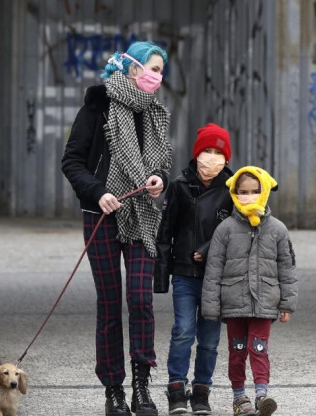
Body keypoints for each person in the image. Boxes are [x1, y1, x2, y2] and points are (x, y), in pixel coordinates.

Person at [61, 41, 172, 416]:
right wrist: (99, 192)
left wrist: (158, 179)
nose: (157, 76)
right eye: (151, 68)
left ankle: (142, 386)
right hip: (101, 216)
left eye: (161, 70)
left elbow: (161, 165)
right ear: (131, 67)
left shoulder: (156, 115)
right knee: (109, 304)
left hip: (142, 215)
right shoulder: (97, 106)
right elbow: (72, 161)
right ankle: (114, 390)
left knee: (140, 300)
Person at [201, 166, 298, 416]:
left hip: (264, 302)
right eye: (243, 192)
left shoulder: (277, 229)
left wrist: (287, 304)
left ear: (264, 192)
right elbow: (213, 269)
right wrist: (211, 307)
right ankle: (238, 397)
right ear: (234, 193)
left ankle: (261, 395)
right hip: (234, 303)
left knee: (259, 348)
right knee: (238, 351)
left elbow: (286, 267)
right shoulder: (225, 229)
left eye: (255, 191)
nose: (249, 196)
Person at [154, 123, 234, 415]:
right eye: (206, 151)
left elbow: (236, 231)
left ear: (226, 157)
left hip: (217, 276)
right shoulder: (179, 185)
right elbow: (166, 232)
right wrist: (162, 276)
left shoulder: (232, 187)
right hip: (185, 273)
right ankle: (177, 387)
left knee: (210, 339)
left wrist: (209, 250)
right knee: (184, 331)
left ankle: (202, 390)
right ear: (196, 153)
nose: (211, 158)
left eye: (217, 152)